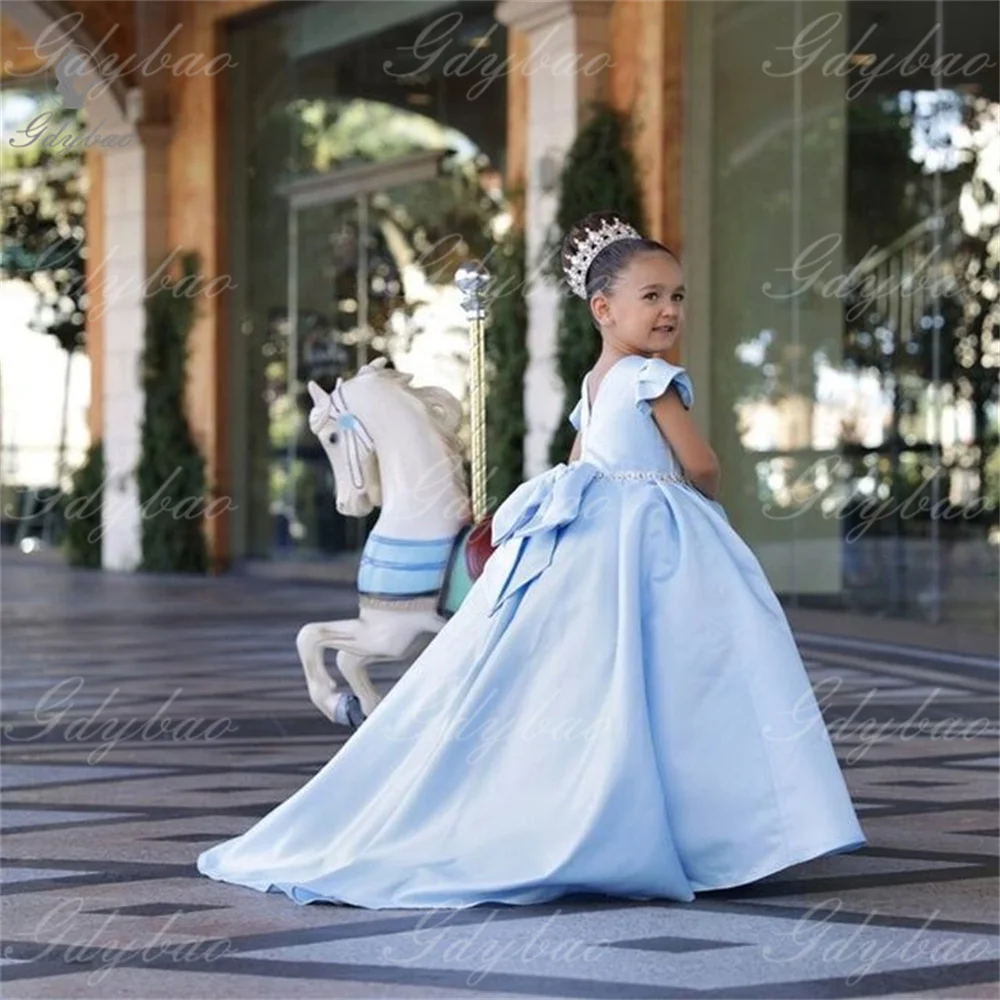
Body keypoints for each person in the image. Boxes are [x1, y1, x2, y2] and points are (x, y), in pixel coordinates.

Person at [197, 210, 866, 909]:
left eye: (677, 296)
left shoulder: (594, 383)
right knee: (688, 672)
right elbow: (701, 464)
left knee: (597, 673)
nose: (669, 310)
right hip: (659, 536)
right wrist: (701, 505)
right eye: (653, 297)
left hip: (593, 540)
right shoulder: (650, 379)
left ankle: (604, 811)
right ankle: (715, 826)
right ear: (603, 308)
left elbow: (579, 467)